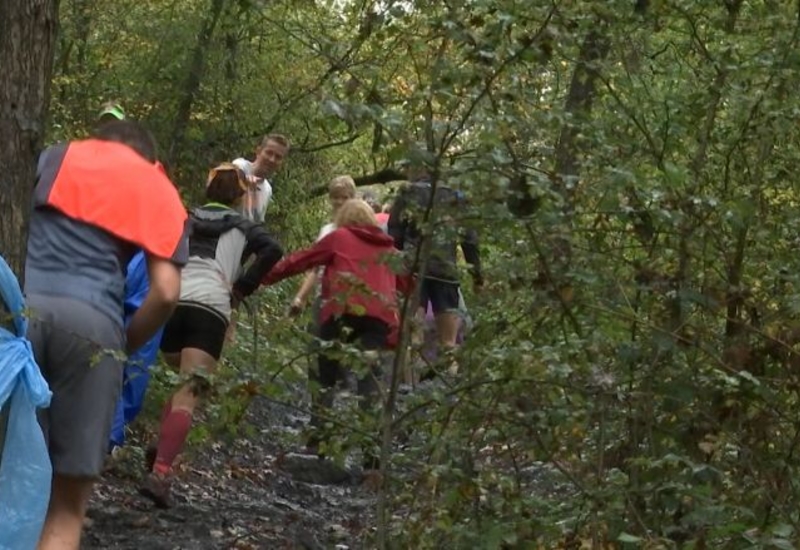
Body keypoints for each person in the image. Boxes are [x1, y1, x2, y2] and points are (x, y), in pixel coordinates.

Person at [26, 120, 189, 549]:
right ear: (148, 158)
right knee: (66, 506)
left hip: (17, 312)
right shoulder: (157, 187)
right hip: (94, 328)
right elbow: (167, 293)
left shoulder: (54, 155)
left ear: (96, 142)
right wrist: (120, 348)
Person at [140, 163, 283, 508]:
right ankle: (160, 473)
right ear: (238, 196)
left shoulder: (183, 218)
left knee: (181, 381)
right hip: (211, 307)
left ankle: (163, 447)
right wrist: (242, 287)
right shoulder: (246, 226)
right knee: (190, 391)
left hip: (173, 302)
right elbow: (274, 251)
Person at [262, 199, 408, 468]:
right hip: (378, 319)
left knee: (325, 375)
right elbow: (409, 284)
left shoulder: (339, 237)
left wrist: (264, 276)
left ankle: (318, 441)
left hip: (341, 311)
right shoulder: (390, 250)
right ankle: (372, 451)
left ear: (344, 219)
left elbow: (302, 260)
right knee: (370, 382)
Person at [388, 165, 483, 375]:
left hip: (413, 269)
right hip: (445, 272)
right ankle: (449, 388)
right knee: (449, 341)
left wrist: (398, 264)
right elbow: (469, 240)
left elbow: (394, 234)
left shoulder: (407, 193)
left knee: (413, 337)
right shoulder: (455, 197)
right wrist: (477, 275)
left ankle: (409, 389)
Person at [289, 176, 357, 316]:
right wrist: (300, 298)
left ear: (353, 199)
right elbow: (315, 269)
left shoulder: (360, 230)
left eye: (345, 197)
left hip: (352, 299)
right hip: (324, 297)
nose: (339, 202)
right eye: (336, 197)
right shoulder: (326, 231)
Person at [231, 133, 290, 223]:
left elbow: (255, 221)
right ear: (258, 152)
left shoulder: (267, 190)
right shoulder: (240, 165)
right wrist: (244, 181)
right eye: (269, 153)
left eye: (278, 157)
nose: (272, 159)